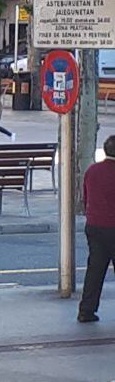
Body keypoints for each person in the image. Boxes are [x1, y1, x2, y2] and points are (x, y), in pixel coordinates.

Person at [78, 135, 115, 323]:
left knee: (95, 269)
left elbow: (86, 197)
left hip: (94, 225)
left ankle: (86, 309)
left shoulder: (92, 170)